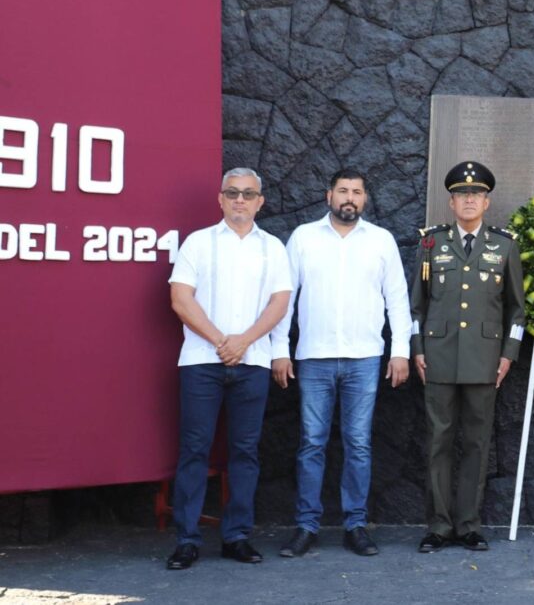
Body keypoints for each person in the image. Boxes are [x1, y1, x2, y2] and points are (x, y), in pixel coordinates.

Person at [271, 169, 412, 559]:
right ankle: (305, 526)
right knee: (311, 443)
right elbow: (285, 297)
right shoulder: (303, 238)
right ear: (328, 195)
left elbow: (397, 300)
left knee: (359, 445)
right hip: (313, 357)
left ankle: (355, 525)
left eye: (357, 192)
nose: (349, 198)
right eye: (343, 191)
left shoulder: (381, 241)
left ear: (365, 199)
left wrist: (399, 350)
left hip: (365, 358)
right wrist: (278, 348)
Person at [165, 168, 292, 570]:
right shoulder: (198, 243)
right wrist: (222, 340)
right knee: (193, 451)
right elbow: (180, 299)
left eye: (248, 194)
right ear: (220, 199)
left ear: (260, 201)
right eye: (232, 193)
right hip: (202, 362)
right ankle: (186, 540)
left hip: (252, 363)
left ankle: (237, 537)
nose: (240, 200)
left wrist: (244, 341)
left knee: (245, 452)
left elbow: (279, 302)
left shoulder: (273, 248)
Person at [409, 161, 526, 553]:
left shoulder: (505, 245)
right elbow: (416, 307)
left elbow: (517, 311)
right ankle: (439, 526)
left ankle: (469, 524)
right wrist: (417, 348)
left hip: (485, 360)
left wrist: (508, 353)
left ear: (487, 202)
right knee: (438, 442)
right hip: (438, 357)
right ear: (451, 202)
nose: (469, 200)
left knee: (476, 443)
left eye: (476, 194)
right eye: (462, 194)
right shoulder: (431, 243)